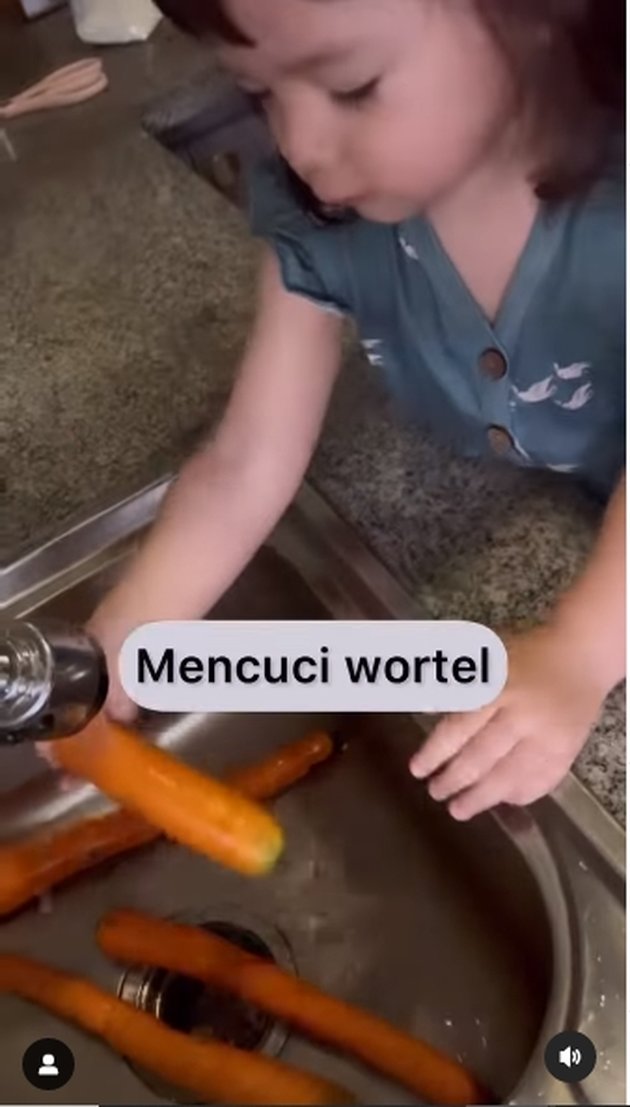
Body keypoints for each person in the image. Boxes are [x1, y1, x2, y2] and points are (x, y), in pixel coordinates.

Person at [88, 0, 625, 821]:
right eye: (260, 91)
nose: (300, 144)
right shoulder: (326, 219)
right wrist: (126, 635)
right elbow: (245, 462)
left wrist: (583, 649)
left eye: (352, 84)